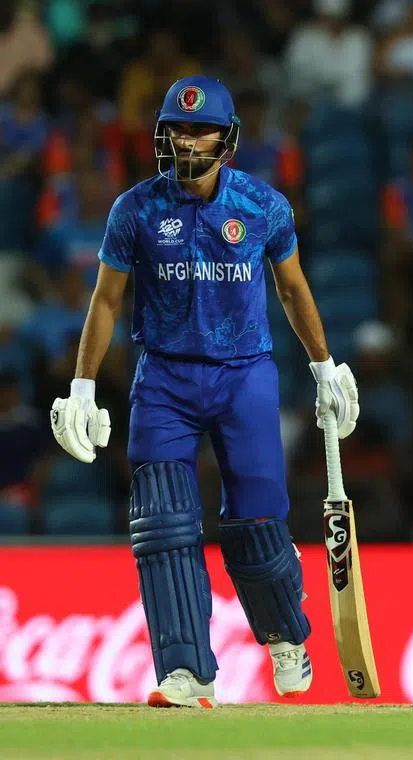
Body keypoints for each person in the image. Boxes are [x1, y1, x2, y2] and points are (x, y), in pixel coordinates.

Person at [47, 76, 360, 708]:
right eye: (178, 129)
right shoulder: (135, 209)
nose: (188, 141)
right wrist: (82, 384)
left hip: (244, 373)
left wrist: (324, 365)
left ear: (228, 138)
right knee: (161, 524)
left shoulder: (263, 206)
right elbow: (106, 299)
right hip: (163, 375)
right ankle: (187, 672)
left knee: (255, 520)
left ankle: (284, 633)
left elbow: (293, 289)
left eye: (201, 130)